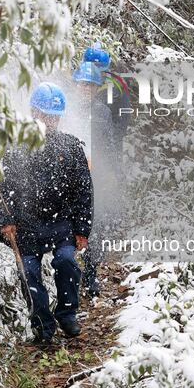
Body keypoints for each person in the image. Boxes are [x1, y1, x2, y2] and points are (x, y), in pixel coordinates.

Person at [0, 82, 93, 345]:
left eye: (54, 116)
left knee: (66, 262)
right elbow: (1, 187)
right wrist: (5, 221)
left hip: (61, 224)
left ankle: (67, 313)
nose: (49, 121)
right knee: (28, 271)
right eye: (44, 115)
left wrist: (82, 229)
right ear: (33, 113)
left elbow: (84, 190)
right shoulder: (13, 146)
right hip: (26, 225)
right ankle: (42, 325)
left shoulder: (71, 148)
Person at [71, 61, 119, 297]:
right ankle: (70, 275)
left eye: (90, 86)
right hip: (69, 176)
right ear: (76, 84)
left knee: (95, 225)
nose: (86, 89)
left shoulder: (102, 113)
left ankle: (90, 275)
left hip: (95, 176)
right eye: (83, 84)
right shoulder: (66, 108)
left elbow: (109, 145)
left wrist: (110, 172)